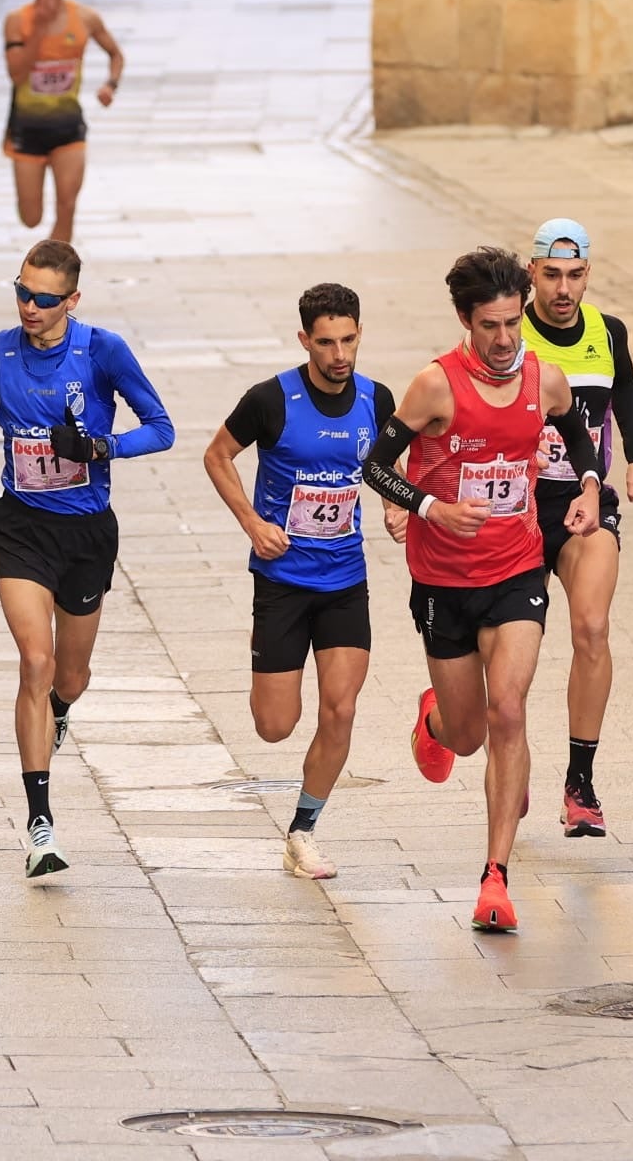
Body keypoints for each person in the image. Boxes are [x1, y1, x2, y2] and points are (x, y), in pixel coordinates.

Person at [363, 247, 604, 933]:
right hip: (442, 577)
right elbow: (375, 467)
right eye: (489, 327)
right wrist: (431, 509)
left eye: (512, 324)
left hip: (517, 569)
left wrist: (587, 489)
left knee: (508, 711)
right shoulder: (434, 386)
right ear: (465, 321)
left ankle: (495, 879)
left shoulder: (543, 378)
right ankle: (434, 718)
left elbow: (577, 439)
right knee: (468, 733)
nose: (504, 341)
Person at [0, 240, 174, 878]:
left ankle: (60, 712)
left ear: (71, 301)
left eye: (44, 298)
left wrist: (101, 447)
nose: (29, 306)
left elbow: (161, 427)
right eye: (22, 292)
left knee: (69, 678)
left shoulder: (103, 351)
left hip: (85, 534)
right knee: (35, 660)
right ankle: (40, 826)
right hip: (21, 526)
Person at [202, 285, 396, 880]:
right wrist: (253, 522)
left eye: (349, 339)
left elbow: (388, 467)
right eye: (326, 342)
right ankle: (268, 678)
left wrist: (397, 505)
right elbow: (216, 456)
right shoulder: (271, 399)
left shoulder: (376, 399)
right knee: (274, 725)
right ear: (305, 340)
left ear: (360, 333)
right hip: (283, 581)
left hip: (344, 579)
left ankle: (303, 831)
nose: (339, 354)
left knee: (340, 708)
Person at [521, 219, 633, 839]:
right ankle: (484, 741)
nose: (563, 289)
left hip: (586, 499)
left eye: (575, 276)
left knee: (592, 628)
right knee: (505, 655)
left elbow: (622, 386)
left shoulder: (608, 331)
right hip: (515, 510)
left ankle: (580, 783)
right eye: (551, 275)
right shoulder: (505, 334)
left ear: (588, 276)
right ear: (532, 274)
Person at [2, 0, 125, 243]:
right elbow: (17, 74)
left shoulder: (84, 18)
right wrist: (40, 29)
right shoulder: (18, 21)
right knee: (31, 218)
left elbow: (116, 54)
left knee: (67, 205)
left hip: (68, 127)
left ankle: (57, 277)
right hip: (27, 128)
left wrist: (110, 85)